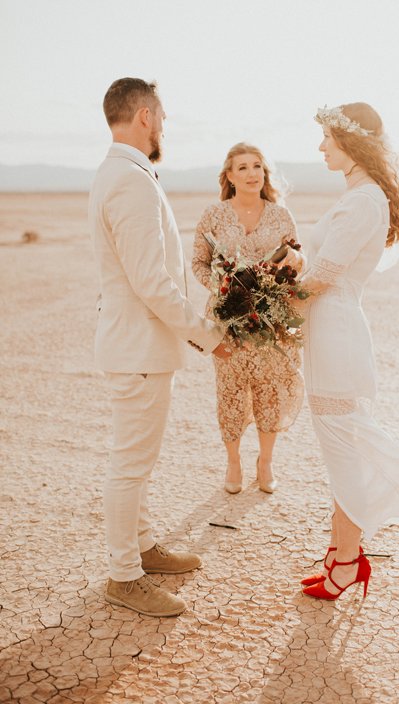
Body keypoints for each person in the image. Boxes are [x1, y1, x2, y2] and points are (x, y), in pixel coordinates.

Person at [88, 78, 231, 618]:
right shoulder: (129, 180)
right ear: (145, 116)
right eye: (163, 116)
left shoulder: (120, 173)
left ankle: (143, 548)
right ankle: (124, 575)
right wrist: (206, 335)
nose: (165, 126)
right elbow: (152, 281)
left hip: (135, 345)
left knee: (138, 461)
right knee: (130, 464)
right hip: (138, 347)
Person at [299, 103, 399, 601]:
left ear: (350, 143)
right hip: (326, 330)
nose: (321, 147)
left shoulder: (364, 201)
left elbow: (322, 276)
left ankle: (349, 561)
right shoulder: (359, 196)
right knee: (340, 449)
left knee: (344, 450)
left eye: (327, 138)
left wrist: (260, 306)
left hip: (336, 332)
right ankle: (340, 553)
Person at [192, 142, 305, 494]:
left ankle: (266, 462)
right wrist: (226, 286)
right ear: (229, 176)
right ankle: (233, 461)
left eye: (257, 166)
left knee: (269, 390)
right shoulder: (213, 215)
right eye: (242, 167)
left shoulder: (281, 216)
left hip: (271, 320)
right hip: (227, 320)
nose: (251, 173)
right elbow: (198, 263)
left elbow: (296, 260)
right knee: (230, 390)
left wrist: (294, 265)